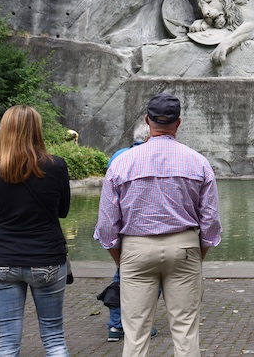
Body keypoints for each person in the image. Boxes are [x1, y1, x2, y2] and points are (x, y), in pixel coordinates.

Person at [95, 93, 222, 357]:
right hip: (184, 246)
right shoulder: (198, 162)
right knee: (186, 331)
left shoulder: (122, 162)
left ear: (147, 120)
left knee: (136, 333)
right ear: (178, 123)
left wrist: (121, 259)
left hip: (136, 248)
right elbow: (210, 224)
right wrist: (198, 254)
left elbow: (107, 226)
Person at [0, 105, 71, 356]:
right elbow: (62, 210)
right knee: (54, 338)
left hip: (3, 259)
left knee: (8, 341)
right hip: (47, 258)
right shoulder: (56, 166)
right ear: (36, 130)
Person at [104, 122, 156, 343]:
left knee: (122, 277)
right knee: (152, 281)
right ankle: (140, 325)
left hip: (124, 229)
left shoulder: (118, 156)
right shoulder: (154, 157)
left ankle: (116, 326)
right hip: (149, 229)